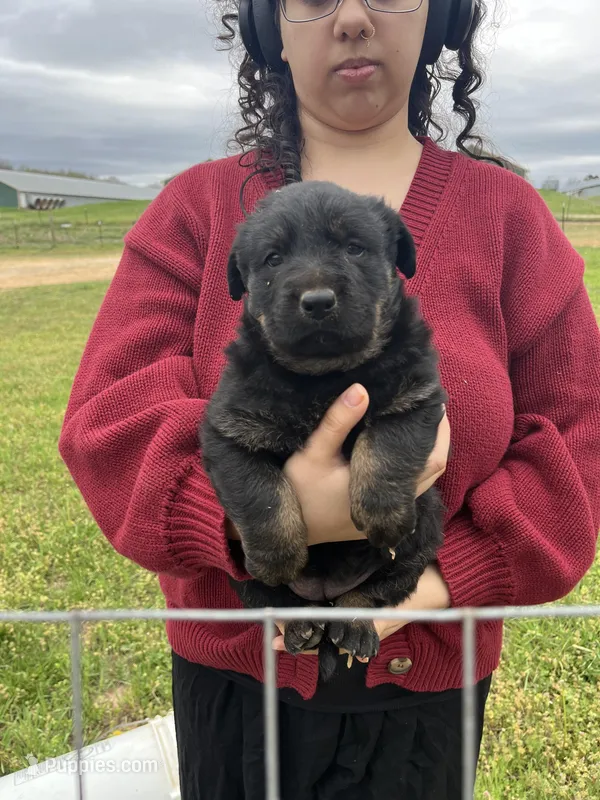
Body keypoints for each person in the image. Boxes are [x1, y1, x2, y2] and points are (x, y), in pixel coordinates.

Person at [58, 0, 600, 797]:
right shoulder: (198, 211)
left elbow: (580, 444)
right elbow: (110, 419)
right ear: (266, 24)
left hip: (430, 685)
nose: (351, 18)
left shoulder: (510, 219)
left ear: (443, 18)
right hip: (236, 681)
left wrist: (441, 581)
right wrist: (262, 519)